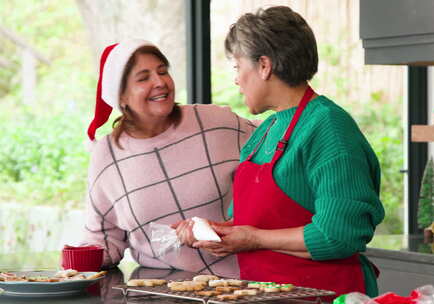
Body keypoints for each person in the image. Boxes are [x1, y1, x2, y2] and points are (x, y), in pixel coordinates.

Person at [189, 6, 385, 298]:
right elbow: (249, 224)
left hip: (326, 294)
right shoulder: (266, 130)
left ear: (264, 66)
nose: (236, 80)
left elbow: (337, 234)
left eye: (237, 67)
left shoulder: (329, 128)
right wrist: (216, 232)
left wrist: (253, 238)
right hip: (265, 293)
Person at [82, 39, 256, 277]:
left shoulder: (216, 123)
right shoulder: (107, 155)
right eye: (144, 78)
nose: (160, 82)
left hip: (236, 284)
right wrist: (79, 261)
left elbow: (277, 144)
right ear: (120, 96)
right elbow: (104, 238)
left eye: (163, 71)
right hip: (154, 290)